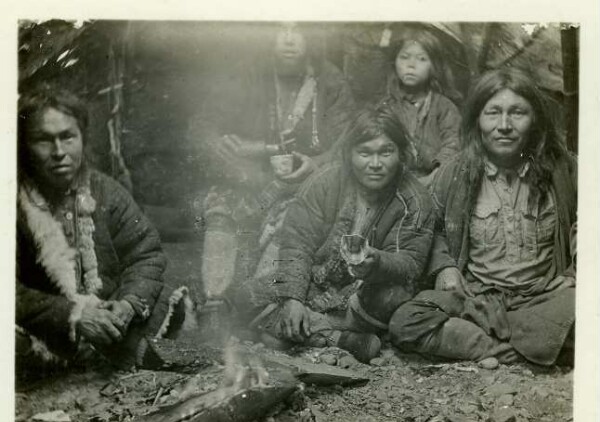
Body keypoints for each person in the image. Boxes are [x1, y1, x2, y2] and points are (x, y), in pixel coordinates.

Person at [389, 68, 577, 367]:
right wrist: (445, 268)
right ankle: (498, 347)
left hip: (544, 298)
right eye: (493, 113)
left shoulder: (563, 169)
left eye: (517, 113)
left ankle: (503, 343)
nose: (504, 125)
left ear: (535, 121)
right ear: (477, 119)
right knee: (406, 320)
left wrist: (575, 272)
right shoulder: (455, 173)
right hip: (477, 300)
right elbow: (428, 228)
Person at [228, 106, 436, 363]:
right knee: (246, 295)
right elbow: (297, 242)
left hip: (367, 292)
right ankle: (338, 339)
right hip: (319, 281)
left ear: (401, 154)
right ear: (349, 154)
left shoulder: (414, 198)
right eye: (364, 153)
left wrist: (378, 261)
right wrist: (293, 299)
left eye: (386, 152)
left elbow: (411, 263)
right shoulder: (325, 181)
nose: (375, 164)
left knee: (393, 298)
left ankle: (296, 331)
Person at [187, 22, 355, 315]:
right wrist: (219, 146)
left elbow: (348, 141)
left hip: (306, 186)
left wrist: (315, 163)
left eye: (298, 31)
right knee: (220, 214)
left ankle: (260, 306)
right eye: (281, 31)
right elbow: (201, 127)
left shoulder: (330, 80)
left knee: (291, 224)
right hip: (247, 181)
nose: (289, 41)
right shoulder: (247, 74)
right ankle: (215, 303)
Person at [16, 86, 183, 374]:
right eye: (43, 140)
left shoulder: (105, 191)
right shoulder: (15, 202)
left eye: (68, 137)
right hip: (48, 326)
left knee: (166, 302)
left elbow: (144, 255)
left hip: (109, 315)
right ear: (23, 145)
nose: (58, 152)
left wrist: (128, 304)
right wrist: (73, 315)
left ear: (82, 138)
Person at [379, 26, 462, 185]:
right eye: (404, 57)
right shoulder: (386, 106)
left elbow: (453, 146)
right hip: (393, 182)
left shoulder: (444, 108)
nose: (411, 65)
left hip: (436, 180)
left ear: (434, 66)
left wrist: (433, 178)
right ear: (394, 62)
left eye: (422, 59)